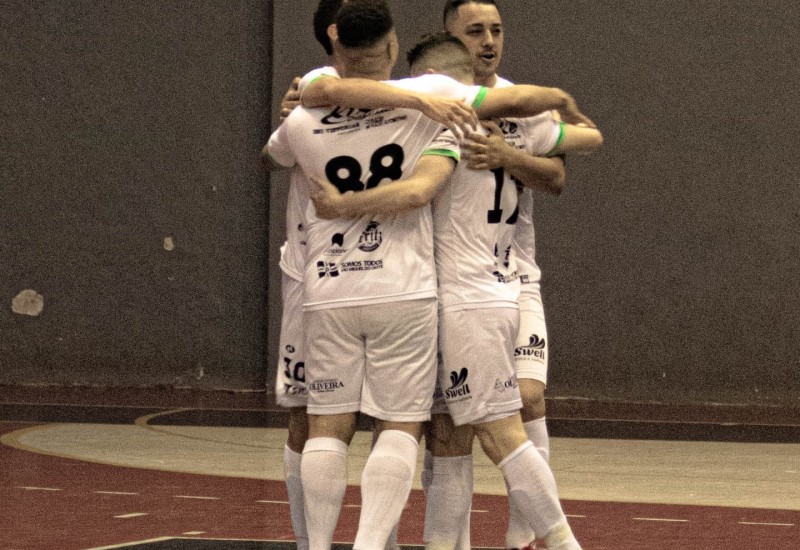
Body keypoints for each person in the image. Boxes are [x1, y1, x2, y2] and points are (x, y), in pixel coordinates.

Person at [308, 30, 601, 550]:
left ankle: (562, 543)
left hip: (466, 297)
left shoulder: (435, 119)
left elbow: (411, 179)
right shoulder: (515, 120)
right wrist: (548, 114)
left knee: (500, 433)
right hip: (486, 289)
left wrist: (338, 198)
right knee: (448, 435)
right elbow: (586, 138)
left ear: (430, 79)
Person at [420, 1, 601, 548]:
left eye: (496, 30)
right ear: (449, 41)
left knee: (522, 402)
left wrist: (508, 155)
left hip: (508, 277)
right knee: (448, 427)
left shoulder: (520, 103)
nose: (489, 41)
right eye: (475, 31)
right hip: (449, 286)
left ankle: (529, 534)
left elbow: (562, 170)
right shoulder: (432, 101)